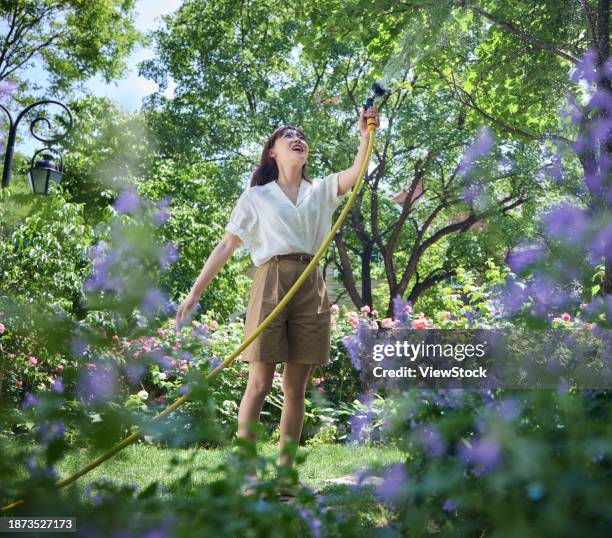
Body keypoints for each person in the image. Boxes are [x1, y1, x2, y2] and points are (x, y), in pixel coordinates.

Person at [175, 106, 380, 475]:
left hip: (310, 282)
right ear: (273, 151)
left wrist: (365, 134)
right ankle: (247, 472)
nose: (297, 139)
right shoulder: (257, 196)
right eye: (288, 136)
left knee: (295, 388)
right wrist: (194, 293)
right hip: (271, 280)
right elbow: (226, 245)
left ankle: (286, 476)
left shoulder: (321, 189)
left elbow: (356, 172)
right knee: (260, 382)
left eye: (301, 136)